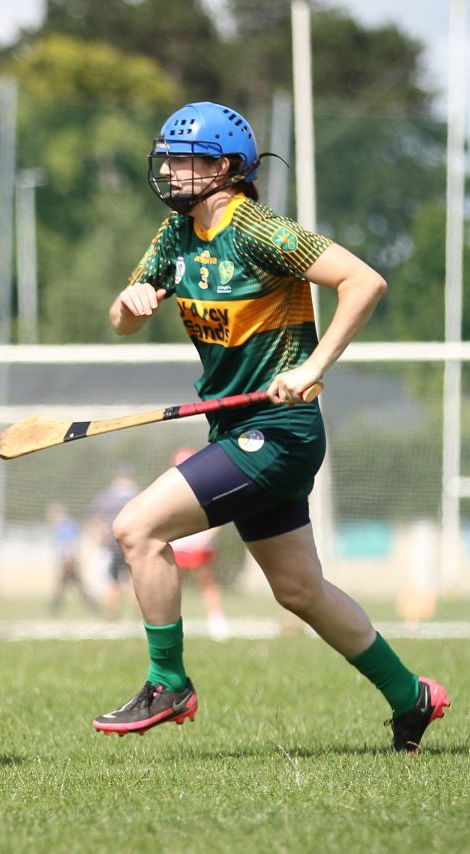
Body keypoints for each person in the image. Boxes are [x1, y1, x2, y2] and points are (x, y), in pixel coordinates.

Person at [93, 101, 448, 752]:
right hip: (235, 431)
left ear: (224, 169)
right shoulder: (175, 235)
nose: (169, 171)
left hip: (280, 430)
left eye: (183, 159)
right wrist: (131, 303)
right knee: (299, 589)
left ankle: (168, 684)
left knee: (135, 528)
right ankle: (413, 698)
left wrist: (312, 364)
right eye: (167, 157)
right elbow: (124, 318)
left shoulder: (259, 230)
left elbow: (363, 281)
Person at [167, 448, 230, 641]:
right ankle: (167, 623)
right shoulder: (169, 490)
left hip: (199, 545)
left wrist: (205, 539)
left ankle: (217, 622)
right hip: (179, 545)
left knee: (207, 582)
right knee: (171, 584)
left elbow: (220, 515)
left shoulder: (208, 487)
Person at [86, 468, 138, 620]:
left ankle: (113, 617)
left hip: (114, 544)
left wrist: (101, 534)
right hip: (130, 544)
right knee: (133, 581)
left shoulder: (106, 496)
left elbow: (94, 518)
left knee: (114, 581)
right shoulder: (137, 495)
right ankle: (136, 617)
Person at [45, 504, 97, 617]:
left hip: (69, 561)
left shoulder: (65, 526)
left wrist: (67, 561)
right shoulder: (67, 525)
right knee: (72, 586)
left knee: (66, 586)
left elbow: (68, 544)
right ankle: (93, 605)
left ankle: (53, 608)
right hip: (69, 561)